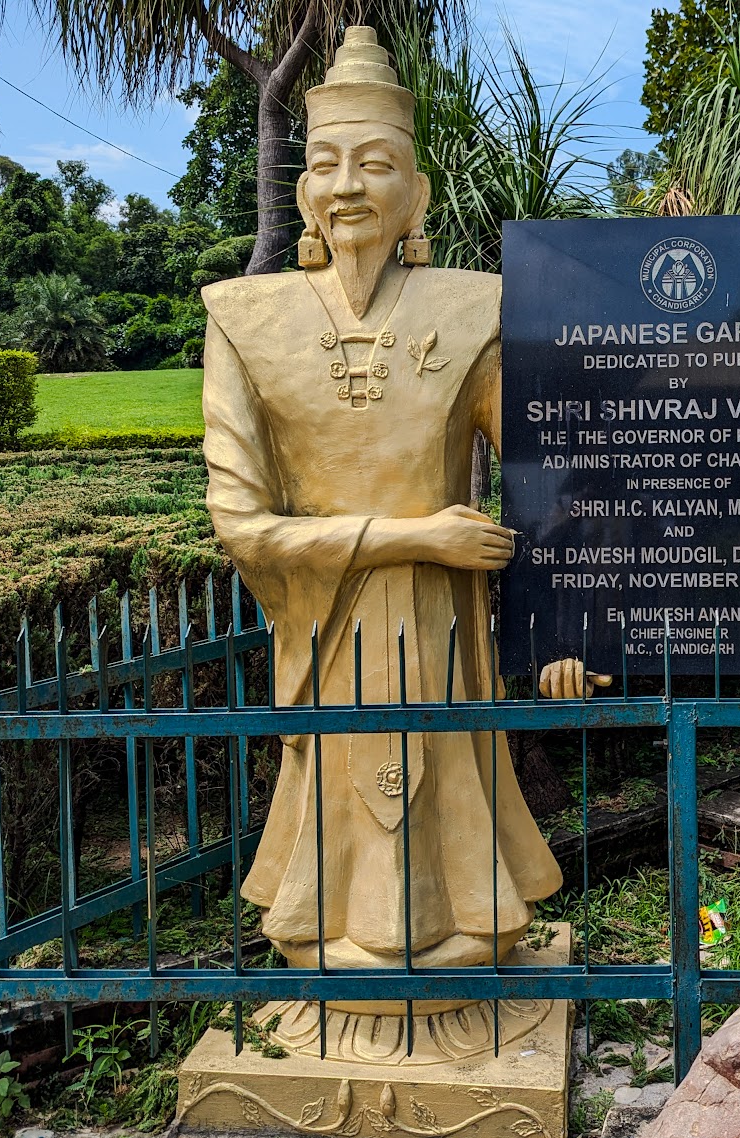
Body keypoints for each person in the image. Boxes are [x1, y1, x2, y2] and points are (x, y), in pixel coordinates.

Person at [201, 28, 565, 999]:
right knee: (337, 814)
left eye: (377, 163)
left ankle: (458, 929)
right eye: (324, 163)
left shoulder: (478, 307)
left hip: (447, 629)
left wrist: (581, 613)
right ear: (300, 186)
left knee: (446, 805)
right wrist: (414, 535)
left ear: (419, 194)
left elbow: (555, 473)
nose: (348, 184)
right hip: (330, 628)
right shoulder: (244, 317)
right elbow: (240, 523)